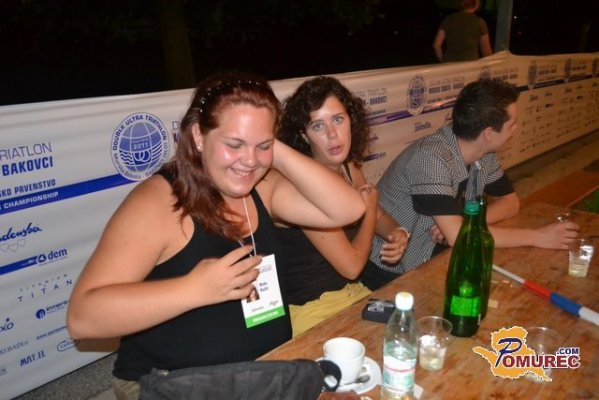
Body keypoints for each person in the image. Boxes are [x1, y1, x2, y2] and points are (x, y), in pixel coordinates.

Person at [66, 72, 365, 400]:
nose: (249, 160)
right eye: (234, 144)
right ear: (198, 135)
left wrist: (268, 144)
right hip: (171, 385)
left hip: (262, 374)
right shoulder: (160, 201)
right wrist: (193, 289)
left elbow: (348, 209)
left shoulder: (262, 187)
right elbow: (83, 317)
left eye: (262, 145)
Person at [368, 78, 579, 281]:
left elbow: (510, 203)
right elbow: (457, 237)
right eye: (512, 124)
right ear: (488, 133)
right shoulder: (431, 159)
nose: (515, 129)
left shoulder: (483, 153)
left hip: (432, 255)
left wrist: (463, 223)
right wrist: (537, 237)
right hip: (391, 269)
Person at [276, 76, 409, 336]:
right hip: (312, 310)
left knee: (412, 329)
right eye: (318, 126)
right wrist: (369, 209)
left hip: (352, 293)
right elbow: (351, 265)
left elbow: (378, 216)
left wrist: (398, 232)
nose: (332, 134)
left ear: (351, 120)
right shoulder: (302, 187)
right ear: (303, 135)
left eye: (338, 119)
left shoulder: (349, 168)